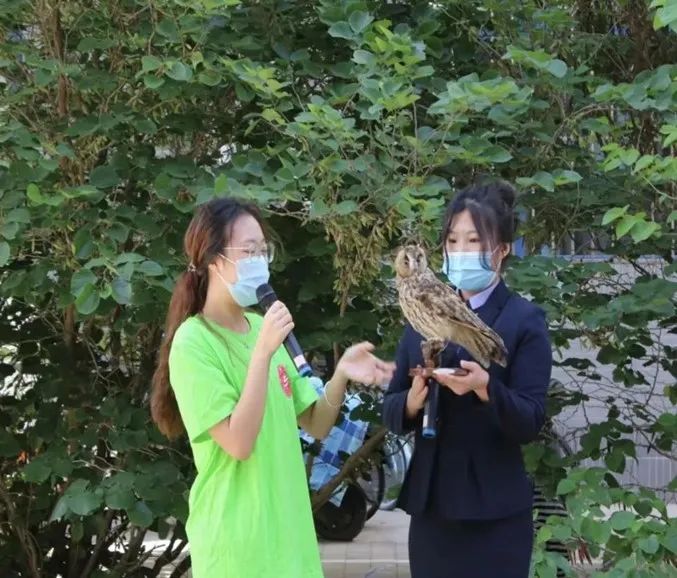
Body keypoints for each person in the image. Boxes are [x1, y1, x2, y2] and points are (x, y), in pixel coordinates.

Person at [150, 197, 395, 578]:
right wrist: (262, 354)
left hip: (290, 537)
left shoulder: (259, 329)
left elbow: (316, 423)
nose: (259, 261)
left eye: (263, 251)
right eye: (248, 251)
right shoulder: (193, 342)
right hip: (239, 547)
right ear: (214, 259)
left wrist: (341, 375)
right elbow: (238, 443)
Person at [383, 181, 552, 578]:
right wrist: (413, 399)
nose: (461, 251)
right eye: (453, 241)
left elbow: (530, 420)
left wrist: (485, 388)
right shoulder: (421, 310)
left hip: (494, 512)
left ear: (502, 250)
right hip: (433, 507)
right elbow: (390, 410)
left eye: (474, 241)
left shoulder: (523, 320)